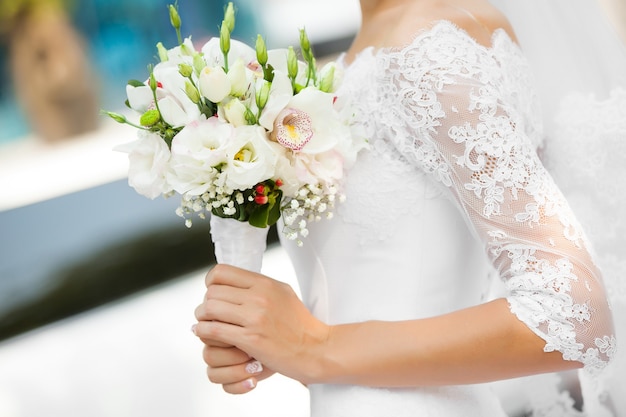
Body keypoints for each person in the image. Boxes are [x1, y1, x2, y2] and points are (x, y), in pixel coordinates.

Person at [192, 0, 622, 415]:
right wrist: (278, 341)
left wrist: (314, 346)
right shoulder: (364, 58)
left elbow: (574, 315)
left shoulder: (429, 49)